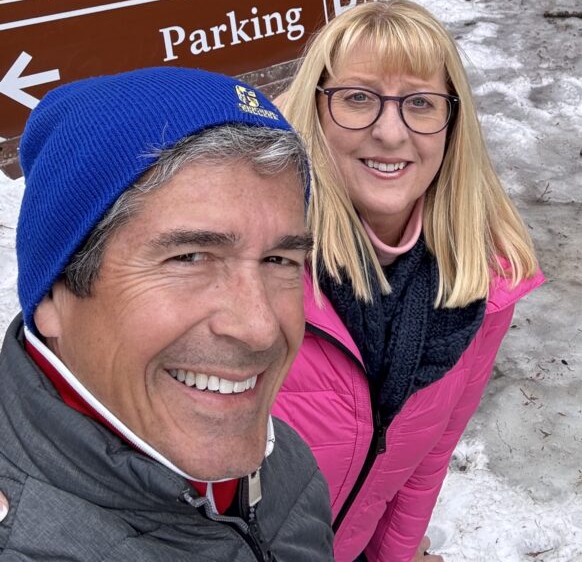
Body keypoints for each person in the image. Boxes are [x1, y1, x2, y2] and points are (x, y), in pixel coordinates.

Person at [0, 66, 334, 561]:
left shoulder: (284, 462)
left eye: (278, 260)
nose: (260, 327)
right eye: (190, 257)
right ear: (53, 294)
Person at [272, 0, 544, 562]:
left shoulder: (481, 280)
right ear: (314, 111)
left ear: (452, 123)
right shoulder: (259, 261)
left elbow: (425, 463)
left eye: (420, 103)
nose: (391, 133)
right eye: (356, 98)